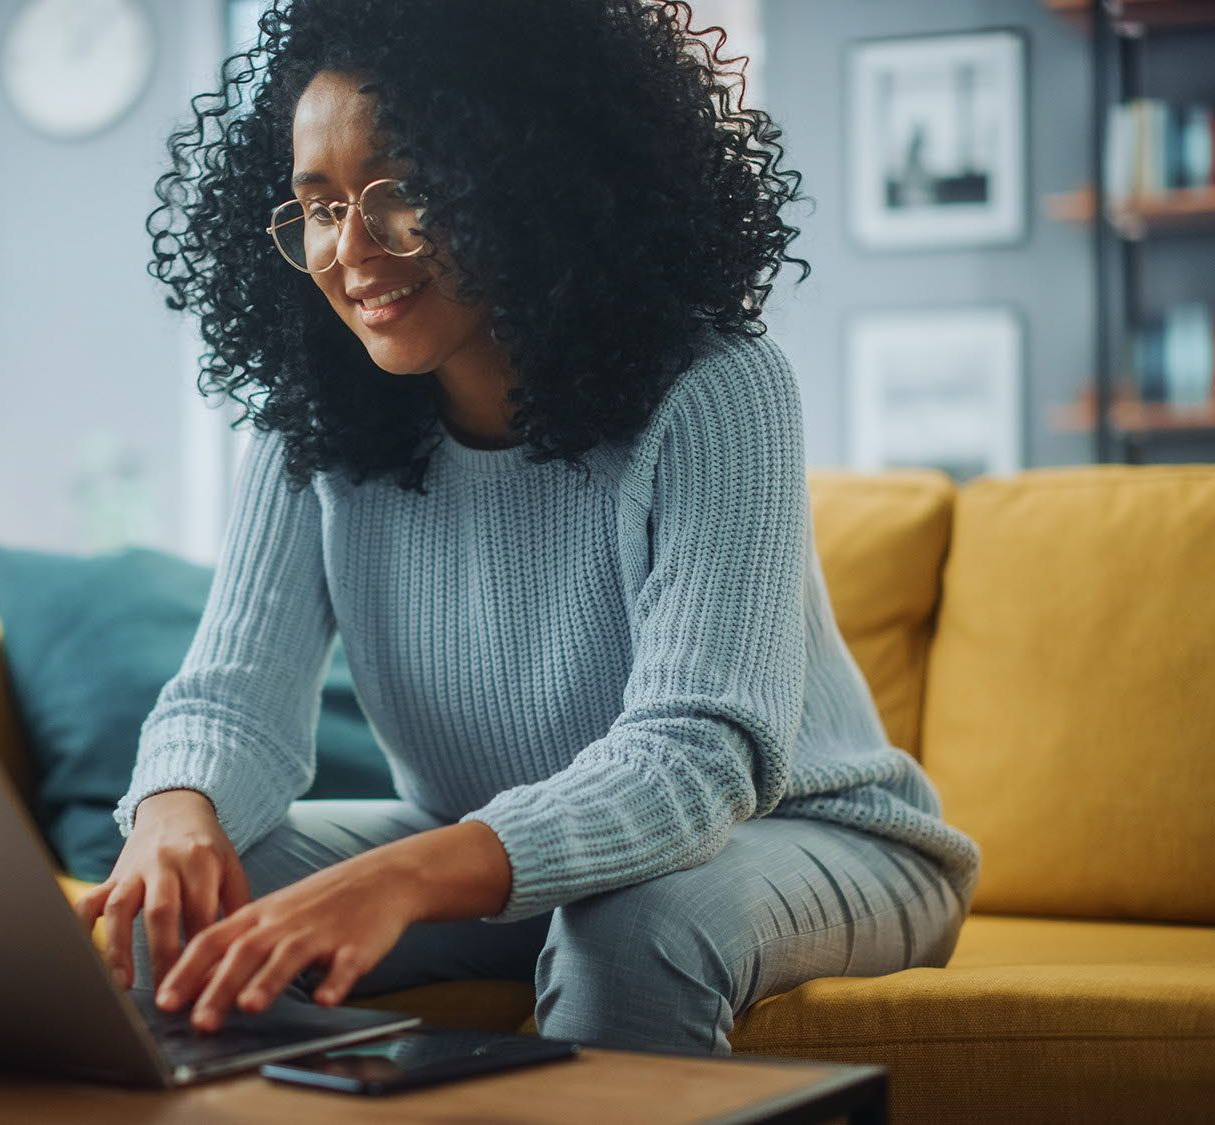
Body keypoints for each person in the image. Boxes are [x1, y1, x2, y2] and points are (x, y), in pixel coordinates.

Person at [71, 0, 982, 1057]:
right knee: (161, 925)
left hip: (800, 838)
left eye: (401, 195)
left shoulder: (716, 387)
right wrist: (175, 811)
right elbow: (231, 703)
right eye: (317, 208)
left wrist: (404, 880)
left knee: (631, 929)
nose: (351, 249)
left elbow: (692, 762)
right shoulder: (309, 425)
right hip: (493, 849)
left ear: (532, 178)